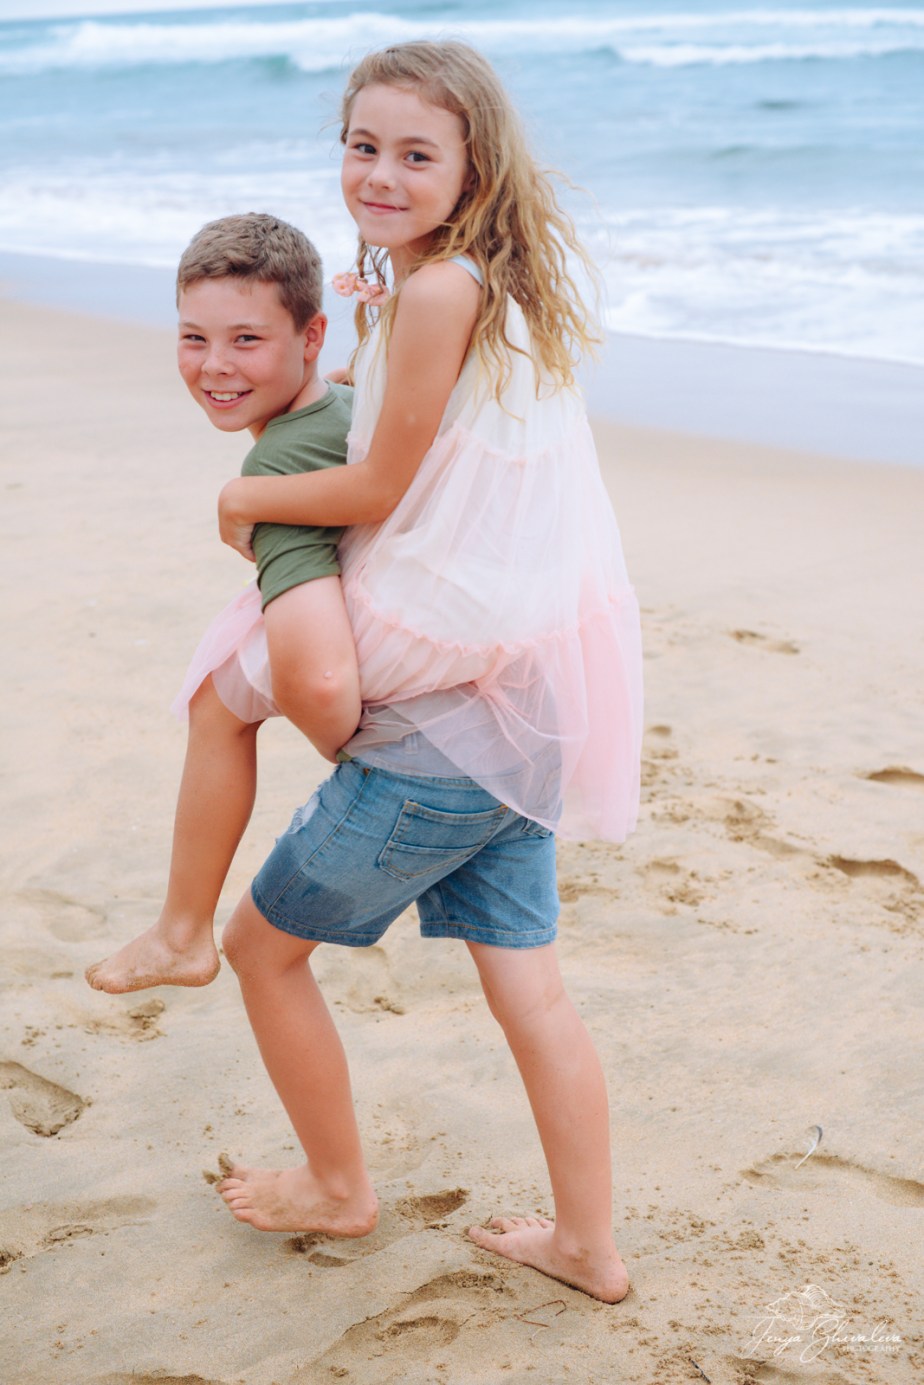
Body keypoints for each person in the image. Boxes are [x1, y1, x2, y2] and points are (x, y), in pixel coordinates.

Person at [215, 40, 641, 1302]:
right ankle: (588, 1246)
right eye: (364, 147)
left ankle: (339, 1188)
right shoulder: (471, 285)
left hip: (447, 737)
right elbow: (429, 433)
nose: (383, 173)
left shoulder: (441, 291)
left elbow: (384, 484)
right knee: (535, 997)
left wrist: (246, 493)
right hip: (522, 718)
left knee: (259, 947)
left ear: (473, 167)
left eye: (416, 154)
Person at [85, 214, 360, 994]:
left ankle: (181, 931)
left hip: (376, 665)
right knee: (216, 698)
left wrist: (348, 751)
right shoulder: (343, 396)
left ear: (311, 338)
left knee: (216, 703)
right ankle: (179, 929)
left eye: (245, 340)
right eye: (193, 338)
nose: (213, 365)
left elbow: (324, 683)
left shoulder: (279, 463)